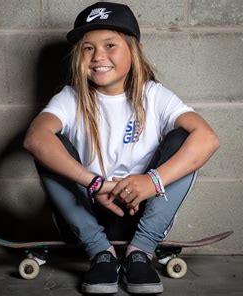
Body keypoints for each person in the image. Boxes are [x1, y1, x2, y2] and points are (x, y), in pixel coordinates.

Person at [23, 2, 220, 294]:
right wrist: (95, 184)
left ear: (134, 49)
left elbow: (208, 138)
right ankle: (100, 253)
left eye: (110, 45)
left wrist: (150, 183)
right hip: (87, 212)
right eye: (88, 48)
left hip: (141, 213)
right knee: (49, 145)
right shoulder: (71, 97)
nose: (98, 56)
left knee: (184, 138)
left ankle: (141, 251)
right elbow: (35, 139)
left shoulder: (153, 95)